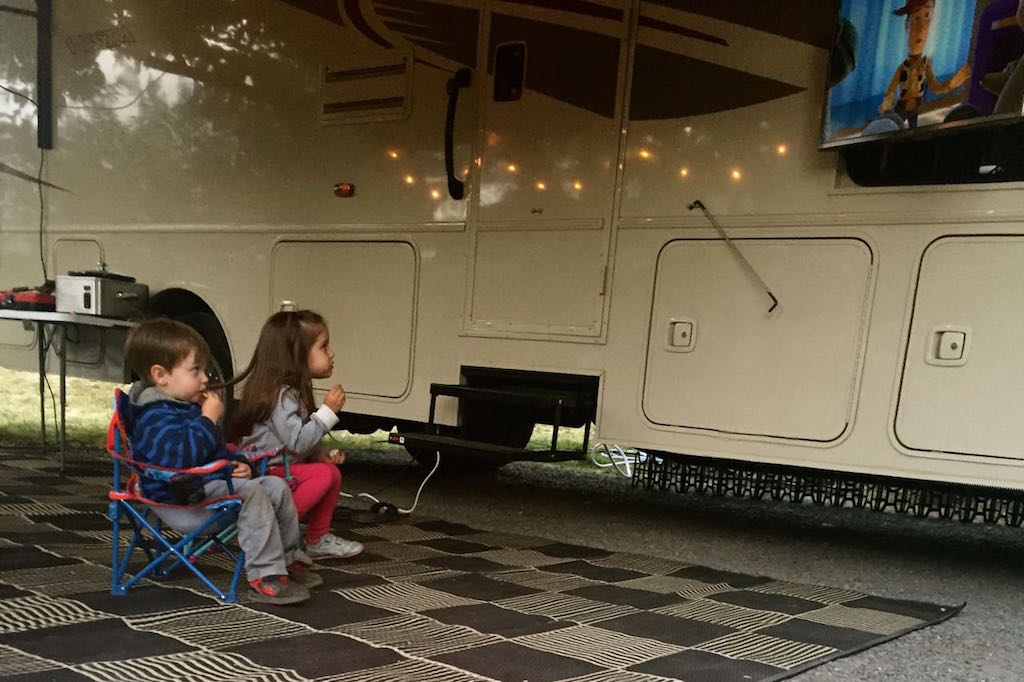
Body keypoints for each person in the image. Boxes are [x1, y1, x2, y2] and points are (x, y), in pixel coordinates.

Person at [124, 318, 321, 605]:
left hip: (204, 486)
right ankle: (266, 576)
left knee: (276, 487)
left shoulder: (184, 407)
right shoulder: (154, 417)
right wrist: (208, 419)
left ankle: (288, 559)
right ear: (160, 375)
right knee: (252, 492)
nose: (205, 378)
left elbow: (214, 451)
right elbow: (182, 458)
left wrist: (240, 463)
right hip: (181, 499)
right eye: (195, 370)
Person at [227, 310, 364, 560]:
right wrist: (328, 412)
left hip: (283, 468)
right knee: (326, 475)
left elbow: (295, 442)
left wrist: (320, 453)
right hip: (264, 472)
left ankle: (317, 539)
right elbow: (298, 442)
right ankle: (274, 531)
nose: (331, 353)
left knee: (330, 473)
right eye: (323, 346)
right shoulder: (278, 395)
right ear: (297, 356)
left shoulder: (290, 392)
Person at [879, 0, 971, 127]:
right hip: (902, 107)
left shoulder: (925, 64)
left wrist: (951, 84)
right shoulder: (903, 67)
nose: (921, 28)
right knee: (894, 127)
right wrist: (887, 103)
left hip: (915, 106)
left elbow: (935, 87)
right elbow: (891, 89)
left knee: (913, 133)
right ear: (907, 26)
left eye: (927, 16)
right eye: (916, 18)